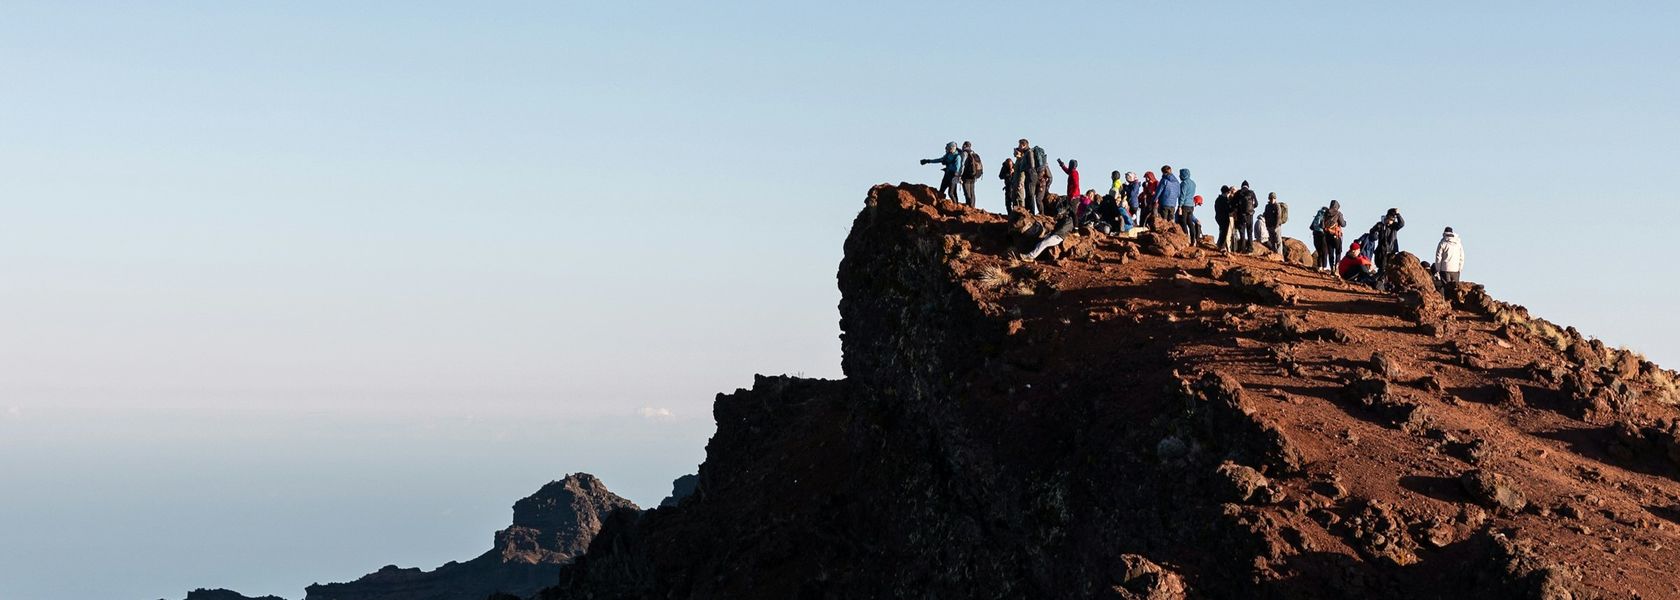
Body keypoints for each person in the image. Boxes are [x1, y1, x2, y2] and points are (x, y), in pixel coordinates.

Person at [1316, 200, 1347, 271]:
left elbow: (1322, 225)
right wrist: (1345, 222)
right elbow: (1343, 224)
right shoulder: (1338, 213)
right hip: (1336, 235)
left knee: (1331, 252)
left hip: (1327, 235)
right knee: (1338, 252)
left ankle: (1332, 268)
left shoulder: (1325, 213)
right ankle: (1337, 267)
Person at [1015, 140, 1040, 214]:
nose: (1019, 147)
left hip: (1031, 175)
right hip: (1029, 175)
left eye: (1020, 145)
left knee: (1030, 194)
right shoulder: (1026, 153)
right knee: (1028, 194)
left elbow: (1032, 165)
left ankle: (1032, 212)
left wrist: (1024, 168)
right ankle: (1028, 211)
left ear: (1024, 145)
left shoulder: (1029, 152)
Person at [1234, 181, 1258, 253]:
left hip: (1241, 215)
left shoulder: (1238, 193)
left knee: (1242, 232)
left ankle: (1242, 248)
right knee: (1250, 232)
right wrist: (1252, 208)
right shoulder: (1251, 193)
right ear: (1248, 186)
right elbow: (1256, 204)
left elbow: (1233, 204)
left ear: (1241, 186)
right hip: (1250, 215)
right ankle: (1250, 249)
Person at [958, 141, 982, 208]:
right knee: (972, 192)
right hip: (973, 176)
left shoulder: (964, 153)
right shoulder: (973, 153)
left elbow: (962, 165)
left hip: (966, 176)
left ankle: (969, 207)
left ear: (965, 146)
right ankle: (973, 207)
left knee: (967, 193)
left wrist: (960, 175)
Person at [1263, 192, 1286, 261]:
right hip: (1270, 226)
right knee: (1272, 242)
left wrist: (1276, 226)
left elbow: (1278, 216)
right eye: (1271, 198)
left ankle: (1279, 256)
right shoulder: (1267, 206)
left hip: (1276, 227)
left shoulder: (1277, 206)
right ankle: (1274, 255)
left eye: (1273, 198)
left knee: (1278, 241)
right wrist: (1267, 225)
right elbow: (1266, 215)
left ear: (1275, 199)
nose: (1272, 200)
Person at [1177, 168, 1198, 243]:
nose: (1179, 176)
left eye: (1180, 174)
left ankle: (1186, 239)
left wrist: (1180, 206)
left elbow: (1182, 195)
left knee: (1183, 222)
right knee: (1190, 222)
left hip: (1184, 205)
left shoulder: (1184, 183)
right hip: (1191, 205)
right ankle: (1193, 240)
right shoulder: (1193, 183)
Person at [1213, 185, 1234, 252]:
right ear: (1226, 192)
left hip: (1218, 217)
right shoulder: (1225, 200)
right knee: (1224, 232)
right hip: (1224, 217)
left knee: (1222, 231)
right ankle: (1221, 246)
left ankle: (1220, 244)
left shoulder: (1218, 199)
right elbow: (1228, 209)